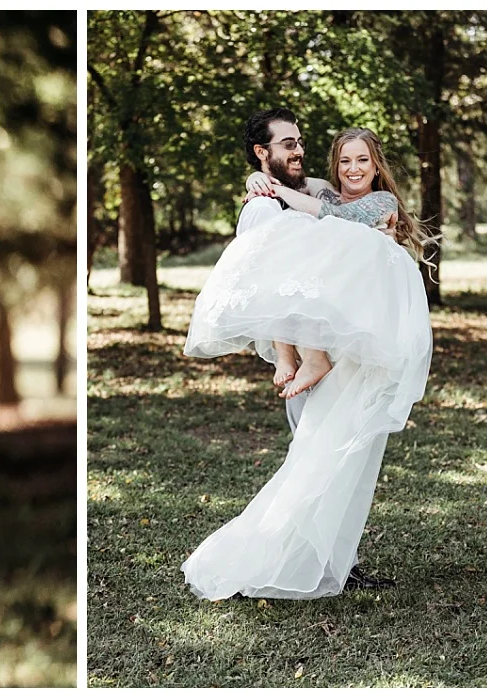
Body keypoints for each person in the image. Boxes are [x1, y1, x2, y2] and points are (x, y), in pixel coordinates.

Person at [180, 112, 434, 600]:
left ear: (376, 166)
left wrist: (274, 186)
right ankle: (286, 560)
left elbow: (331, 213)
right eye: (344, 160)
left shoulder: (361, 203)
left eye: (362, 160)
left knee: (350, 462)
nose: (352, 168)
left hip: (360, 352)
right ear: (263, 151)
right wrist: (261, 181)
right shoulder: (272, 207)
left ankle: (336, 560)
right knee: (315, 459)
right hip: (319, 359)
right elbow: (279, 272)